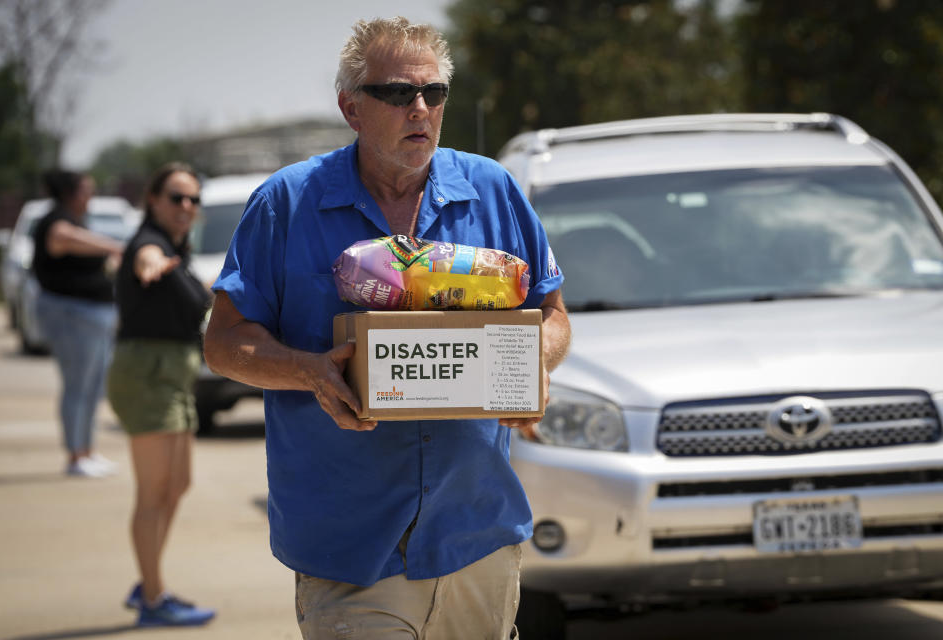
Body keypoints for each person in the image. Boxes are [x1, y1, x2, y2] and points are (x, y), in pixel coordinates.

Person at [203, 16, 570, 640]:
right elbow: (224, 341)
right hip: (349, 545)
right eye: (398, 94)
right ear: (351, 108)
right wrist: (309, 371)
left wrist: (531, 362)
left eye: (434, 94)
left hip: (475, 533)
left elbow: (552, 313)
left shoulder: (495, 191)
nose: (420, 109)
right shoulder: (287, 204)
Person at [106, 163, 216, 627]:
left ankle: (146, 581)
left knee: (177, 485)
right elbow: (144, 260)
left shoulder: (178, 249)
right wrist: (152, 266)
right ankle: (153, 598)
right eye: (176, 198)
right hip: (147, 376)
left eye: (193, 199)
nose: (186, 207)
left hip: (174, 375)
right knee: (152, 495)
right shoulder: (150, 245)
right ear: (152, 200)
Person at [32, 170, 123, 478]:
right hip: (71, 315)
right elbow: (62, 238)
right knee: (77, 386)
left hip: (92, 316)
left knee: (93, 386)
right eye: (86, 190)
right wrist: (113, 246)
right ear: (70, 192)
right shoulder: (56, 220)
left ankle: (87, 450)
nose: (90, 197)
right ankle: (75, 455)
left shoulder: (77, 219)